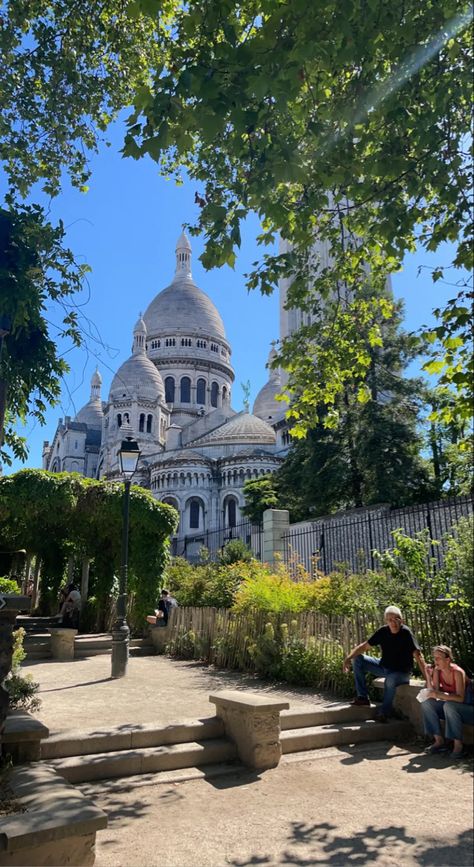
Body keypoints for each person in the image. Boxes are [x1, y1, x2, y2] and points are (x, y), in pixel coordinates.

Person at [343, 605, 427, 722]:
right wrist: (348, 658)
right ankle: (362, 697)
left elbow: (418, 656)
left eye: (395, 619)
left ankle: (384, 712)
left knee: (391, 679)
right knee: (358, 658)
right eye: (389, 619)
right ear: (386, 620)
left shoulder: (406, 633)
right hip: (384, 667)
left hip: (401, 673)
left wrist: (428, 679)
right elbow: (364, 646)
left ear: (401, 620)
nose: (392, 622)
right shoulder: (383, 631)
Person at [422, 644, 473, 759]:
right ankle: (439, 741)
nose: (435, 661)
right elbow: (433, 693)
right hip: (452, 710)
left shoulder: (458, 672)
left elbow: (460, 698)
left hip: (468, 709)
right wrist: (428, 677)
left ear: (448, 659)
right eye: (434, 658)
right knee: (427, 703)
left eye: (438, 658)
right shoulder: (437, 670)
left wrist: (441, 695)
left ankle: (458, 746)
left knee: (449, 705)